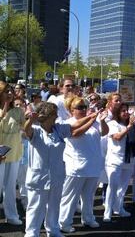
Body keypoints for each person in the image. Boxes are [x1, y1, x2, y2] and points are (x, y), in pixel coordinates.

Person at [23, 102, 99, 237]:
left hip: (56, 175)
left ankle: (53, 230)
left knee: (54, 206)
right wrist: (30, 120)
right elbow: (26, 130)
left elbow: (75, 125)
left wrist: (91, 116)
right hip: (39, 177)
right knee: (36, 208)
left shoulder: (58, 129)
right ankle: (31, 233)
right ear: (47, 116)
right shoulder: (36, 130)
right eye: (54, 114)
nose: (57, 117)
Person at [59, 96, 109, 233]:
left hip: (93, 164)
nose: (83, 110)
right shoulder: (67, 123)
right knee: (70, 196)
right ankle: (64, 222)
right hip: (76, 166)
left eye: (85, 107)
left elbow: (104, 132)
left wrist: (102, 121)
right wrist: (91, 119)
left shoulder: (94, 121)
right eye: (80, 107)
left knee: (88, 195)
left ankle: (88, 218)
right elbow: (75, 134)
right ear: (71, 110)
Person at [104, 103, 135, 222]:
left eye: (127, 110)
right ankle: (107, 212)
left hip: (129, 158)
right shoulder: (112, 124)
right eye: (123, 111)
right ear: (117, 113)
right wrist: (130, 126)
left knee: (123, 187)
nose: (126, 113)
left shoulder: (129, 125)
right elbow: (117, 137)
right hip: (115, 160)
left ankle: (118, 207)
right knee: (113, 186)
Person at [0, 81, 25, 225]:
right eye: (6, 92)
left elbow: (24, 128)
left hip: (14, 152)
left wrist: (30, 117)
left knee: (10, 186)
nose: (9, 94)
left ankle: (11, 215)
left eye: (10, 91)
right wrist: (4, 106)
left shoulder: (18, 110)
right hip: (0, 153)